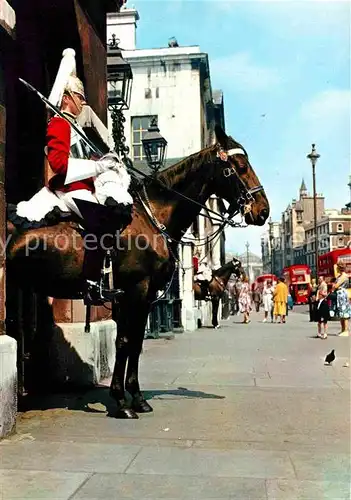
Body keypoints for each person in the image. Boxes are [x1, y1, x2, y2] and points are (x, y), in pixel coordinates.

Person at [14, 49, 133, 305]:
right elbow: (59, 164)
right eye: (80, 96)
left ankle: (100, 279)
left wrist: (105, 166)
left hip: (83, 189)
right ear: (67, 98)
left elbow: (83, 160)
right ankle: (91, 285)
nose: (83, 102)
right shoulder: (59, 124)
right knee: (103, 223)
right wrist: (98, 168)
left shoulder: (74, 126)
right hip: (69, 191)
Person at [332, 262, 350, 336]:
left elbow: (336, 285)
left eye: (337, 267)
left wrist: (334, 285)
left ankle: (346, 330)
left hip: (342, 295)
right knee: (340, 312)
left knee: (344, 312)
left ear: (340, 268)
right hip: (339, 294)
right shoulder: (340, 276)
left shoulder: (344, 276)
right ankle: (342, 330)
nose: (336, 269)